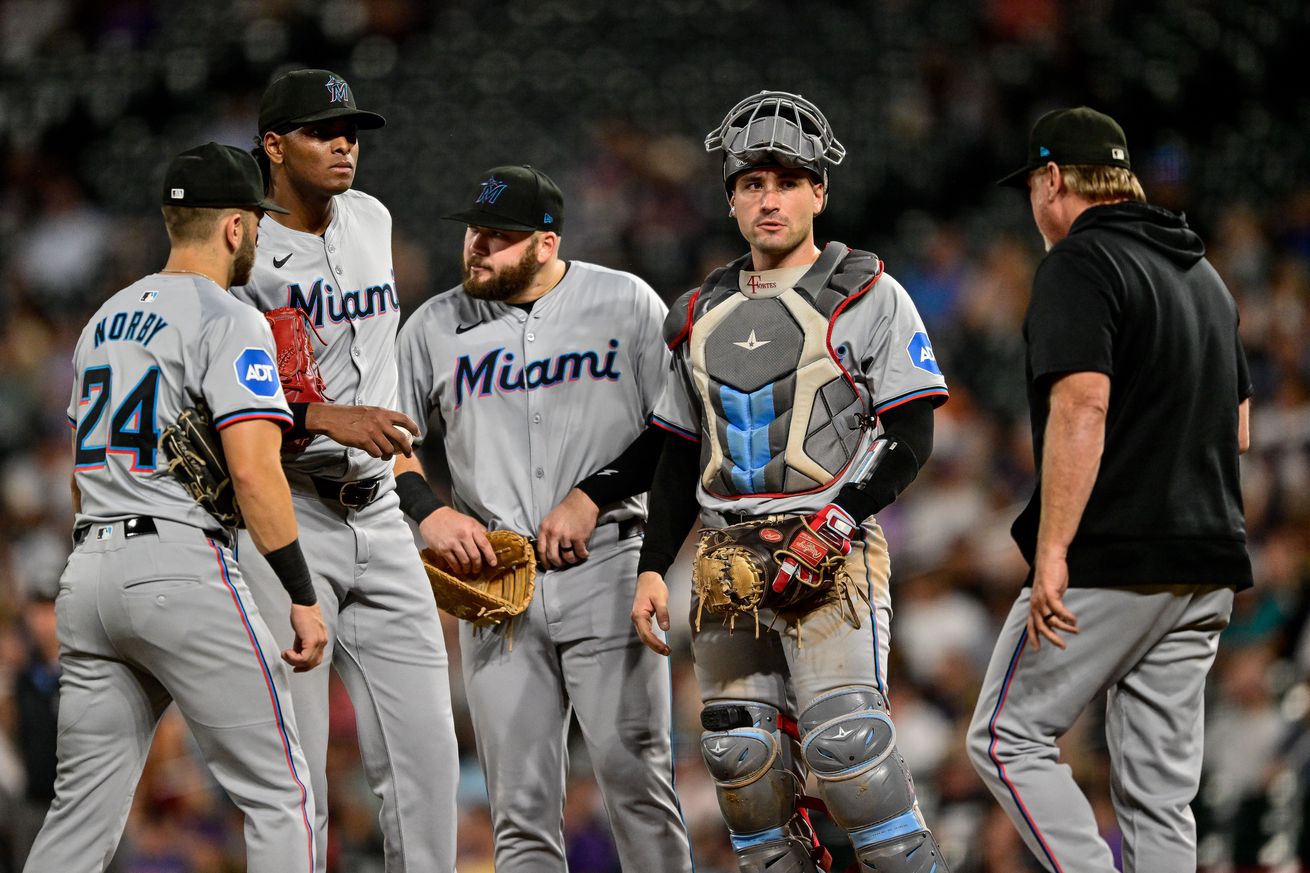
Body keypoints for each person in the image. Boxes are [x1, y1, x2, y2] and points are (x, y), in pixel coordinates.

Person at [631, 90, 952, 873]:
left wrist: (839, 521)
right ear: (732, 199)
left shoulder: (870, 293)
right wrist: (649, 564)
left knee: (850, 751)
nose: (768, 197)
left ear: (819, 191)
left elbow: (911, 433)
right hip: (725, 559)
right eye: (751, 183)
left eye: (786, 180)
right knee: (743, 767)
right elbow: (676, 456)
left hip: (831, 545)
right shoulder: (694, 313)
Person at [965, 106, 1253, 873]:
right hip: (1208, 559)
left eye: (1032, 184)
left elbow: (1083, 401)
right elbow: (1241, 427)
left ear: (1054, 177)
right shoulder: (1206, 274)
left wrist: (1054, 547)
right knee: (1159, 793)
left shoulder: (1080, 262)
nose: (1032, 203)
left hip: (1115, 557)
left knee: (1005, 735)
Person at [27, 142, 327, 873]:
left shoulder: (102, 319)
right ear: (233, 228)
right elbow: (255, 475)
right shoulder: (229, 317)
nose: (258, 232)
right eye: (256, 219)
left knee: (78, 818)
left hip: (89, 570)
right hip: (179, 566)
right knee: (279, 794)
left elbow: (76, 478)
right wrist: (302, 593)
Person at [392, 164, 694, 872]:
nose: (478, 247)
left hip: (608, 562)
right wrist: (429, 512)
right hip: (496, 581)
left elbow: (677, 429)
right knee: (519, 810)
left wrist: (593, 492)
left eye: (500, 236)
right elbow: (390, 447)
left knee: (637, 783)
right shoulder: (433, 325)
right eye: (475, 232)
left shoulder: (624, 302)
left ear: (546, 243)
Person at [233, 69, 459, 872]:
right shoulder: (241, 247)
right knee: (296, 772)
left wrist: (423, 501)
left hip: (380, 515)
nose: (344, 145)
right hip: (289, 517)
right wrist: (322, 416)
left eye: (351, 132)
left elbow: (382, 388)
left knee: (429, 759)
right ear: (272, 145)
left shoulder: (372, 218)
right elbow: (208, 401)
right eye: (322, 133)